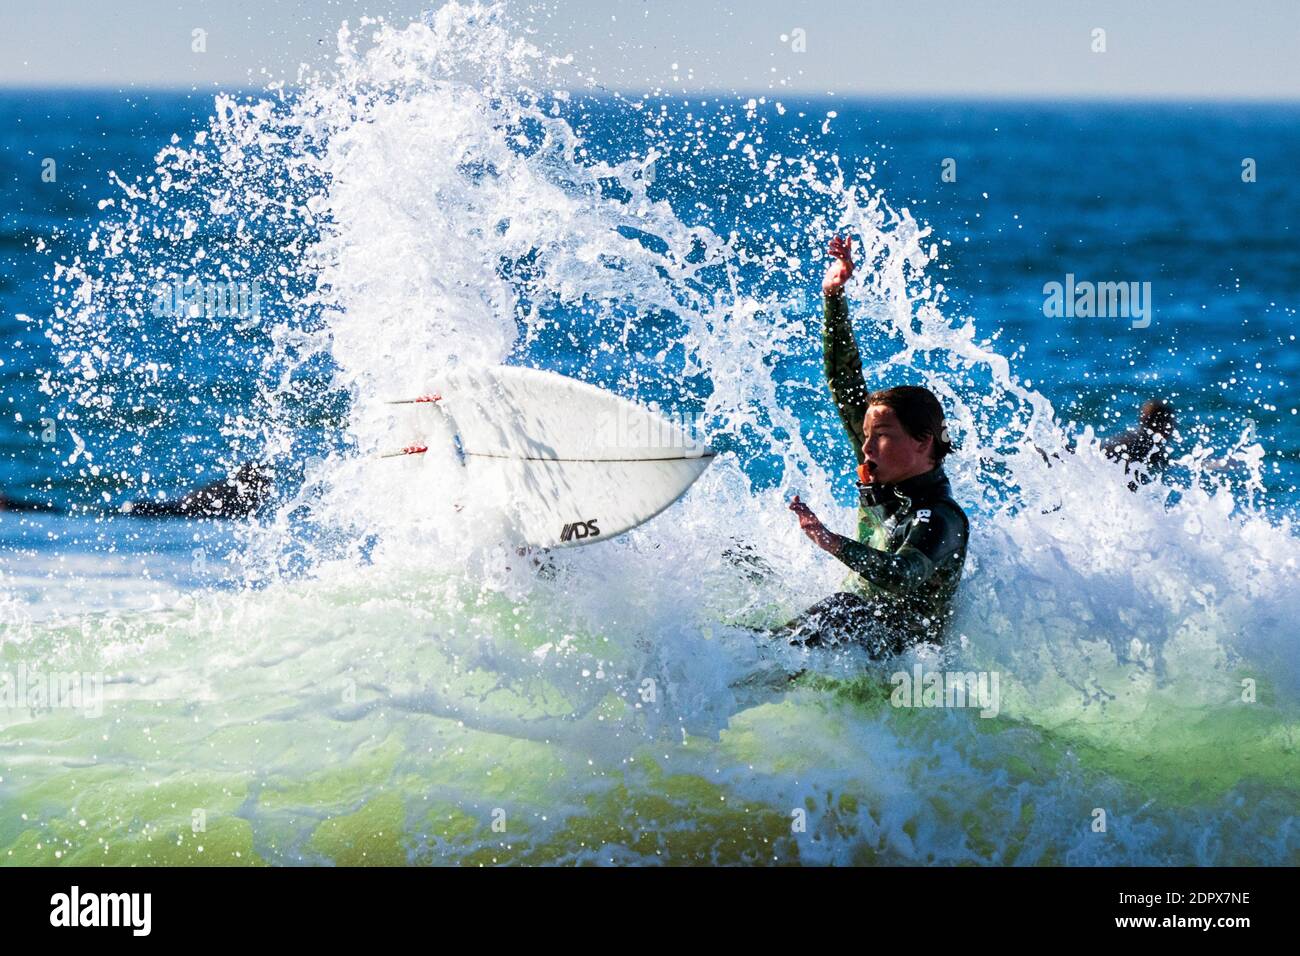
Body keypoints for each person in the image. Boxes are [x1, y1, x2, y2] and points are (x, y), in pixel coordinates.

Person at [776, 235, 969, 658]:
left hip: (902, 667)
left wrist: (832, 542)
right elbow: (844, 385)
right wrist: (833, 295)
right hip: (850, 647)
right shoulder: (883, 467)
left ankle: (746, 667)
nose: (865, 448)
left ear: (922, 443)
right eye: (865, 436)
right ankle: (731, 661)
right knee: (745, 562)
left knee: (846, 609)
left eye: (880, 436)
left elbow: (900, 575)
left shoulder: (942, 518)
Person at [1101, 399, 1175, 486]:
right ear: (1162, 424)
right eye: (1170, 422)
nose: (1173, 427)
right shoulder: (1148, 448)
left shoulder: (1131, 438)